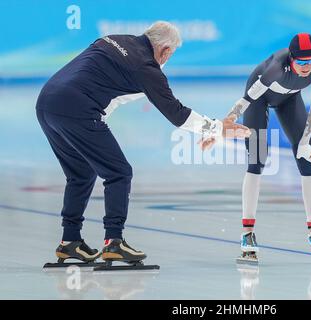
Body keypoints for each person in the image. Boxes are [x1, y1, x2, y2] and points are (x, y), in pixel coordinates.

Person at [37, 21, 250, 267]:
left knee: (81, 174)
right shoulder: (146, 67)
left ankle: (70, 240)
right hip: (77, 110)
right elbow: (177, 114)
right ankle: (114, 241)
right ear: (166, 50)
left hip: (46, 103)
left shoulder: (112, 39)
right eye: (171, 55)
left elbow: (94, 81)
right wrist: (218, 128)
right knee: (119, 172)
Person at [201, 33, 311, 262]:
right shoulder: (275, 69)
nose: (305, 67)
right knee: (258, 158)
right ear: (291, 60)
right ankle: (247, 233)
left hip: (289, 98)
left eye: (309, 62)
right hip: (258, 97)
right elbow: (246, 101)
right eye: (300, 63)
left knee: (307, 158)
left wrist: (304, 143)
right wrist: (222, 125)